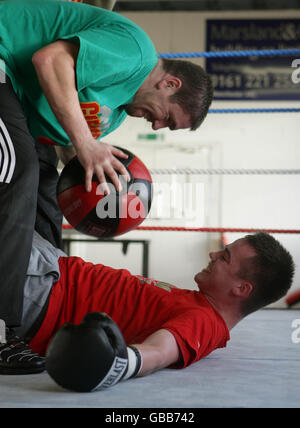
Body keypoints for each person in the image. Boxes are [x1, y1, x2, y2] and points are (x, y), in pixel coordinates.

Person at [0, 0, 214, 374]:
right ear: (169, 83)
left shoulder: (112, 114)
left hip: (16, 99)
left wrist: (87, 177)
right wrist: (84, 144)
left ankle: (28, 318)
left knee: (45, 190)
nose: (156, 127)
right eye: (168, 118)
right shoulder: (136, 51)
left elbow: (65, 142)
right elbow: (50, 61)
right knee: (19, 170)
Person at [0, 230, 294, 380]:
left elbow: (158, 351)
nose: (214, 254)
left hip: (42, 288)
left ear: (241, 289)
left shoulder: (205, 321)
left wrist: (118, 364)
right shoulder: (199, 304)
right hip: (52, 269)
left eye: (225, 257)